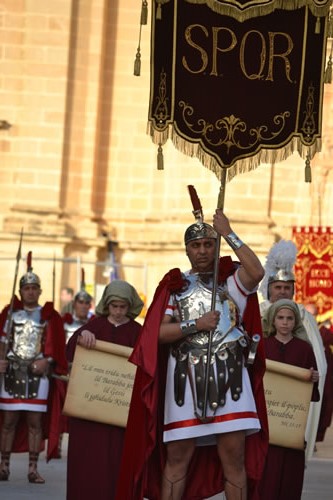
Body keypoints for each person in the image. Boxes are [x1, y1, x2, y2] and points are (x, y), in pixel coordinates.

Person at [116, 209, 268, 500]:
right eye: (195, 245)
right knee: (177, 460)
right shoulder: (176, 288)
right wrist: (195, 325)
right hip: (184, 382)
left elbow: (257, 272)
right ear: (186, 249)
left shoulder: (232, 282)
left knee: (233, 460)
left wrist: (228, 233)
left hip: (231, 381)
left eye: (208, 244)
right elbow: (156, 335)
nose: (202, 250)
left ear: (215, 246)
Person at [66, 279, 143, 500]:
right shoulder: (94, 327)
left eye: (123, 307)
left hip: (122, 415)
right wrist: (82, 337)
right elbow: (70, 350)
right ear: (106, 305)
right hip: (89, 415)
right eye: (114, 306)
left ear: (130, 307)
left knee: (118, 465)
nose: (118, 312)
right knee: (88, 465)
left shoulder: (138, 332)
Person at [0, 253, 67, 483]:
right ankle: (4, 465)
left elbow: (57, 348)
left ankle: (32, 468)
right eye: (26, 288)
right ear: (20, 292)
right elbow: (2, 341)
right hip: (12, 372)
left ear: (40, 291)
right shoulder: (9, 314)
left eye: (34, 288)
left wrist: (46, 362)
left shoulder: (49, 317)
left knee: (34, 423)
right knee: (8, 421)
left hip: (38, 375)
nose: (30, 291)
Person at [259, 239, 327, 460]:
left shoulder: (303, 316)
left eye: (287, 288)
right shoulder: (258, 312)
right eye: (278, 287)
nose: (282, 292)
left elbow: (317, 357)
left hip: (292, 400)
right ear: (269, 289)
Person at [258, 299, 320, 500]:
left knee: (290, 477)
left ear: (296, 322)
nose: (285, 322)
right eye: (281, 318)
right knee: (266, 473)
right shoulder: (263, 346)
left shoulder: (304, 349)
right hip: (266, 423)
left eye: (290, 318)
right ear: (273, 320)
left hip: (291, 423)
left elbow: (310, 393)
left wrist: (313, 378)